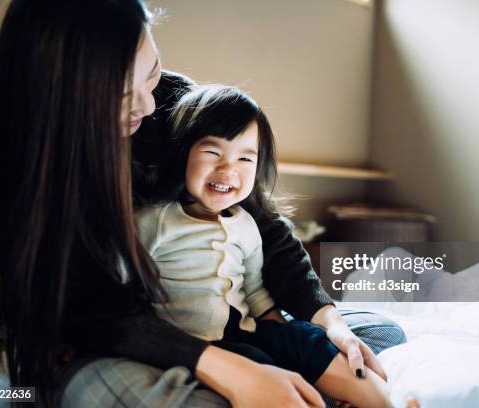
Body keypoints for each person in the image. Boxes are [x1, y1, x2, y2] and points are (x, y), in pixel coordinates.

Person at [0, 0, 410, 407]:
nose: (149, 103)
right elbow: (91, 314)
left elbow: (266, 227)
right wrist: (227, 368)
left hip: (224, 327)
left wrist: (330, 322)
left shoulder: (172, 104)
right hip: (102, 344)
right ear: (62, 99)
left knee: (377, 334)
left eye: (152, 71)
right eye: (120, 97)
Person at [135, 83, 391, 407]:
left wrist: (288, 334)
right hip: (195, 345)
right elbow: (122, 288)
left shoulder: (246, 224)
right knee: (262, 365)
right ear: (181, 152)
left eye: (245, 158)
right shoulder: (154, 220)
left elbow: (255, 291)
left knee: (309, 341)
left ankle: (382, 402)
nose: (228, 169)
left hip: (248, 329)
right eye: (212, 153)